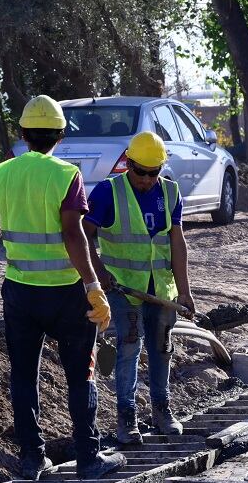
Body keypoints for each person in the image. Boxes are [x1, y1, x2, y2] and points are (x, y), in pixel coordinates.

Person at [0, 95, 126, 481]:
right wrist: (93, 285)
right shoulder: (66, 174)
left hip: (20, 292)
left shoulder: (1, 174)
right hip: (67, 294)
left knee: (23, 376)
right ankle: (89, 459)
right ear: (59, 135)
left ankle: (32, 458)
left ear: (22, 134)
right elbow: (74, 234)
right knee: (81, 375)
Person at [83, 131, 194, 444]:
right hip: (123, 289)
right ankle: (126, 418)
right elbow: (83, 235)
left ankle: (162, 411)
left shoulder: (170, 193)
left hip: (160, 289)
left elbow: (177, 241)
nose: (147, 179)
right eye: (141, 171)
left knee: (161, 348)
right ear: (128, 164)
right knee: (129, 347)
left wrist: (184, 290)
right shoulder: (108, 192)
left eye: (153, 172)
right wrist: (99, 272)